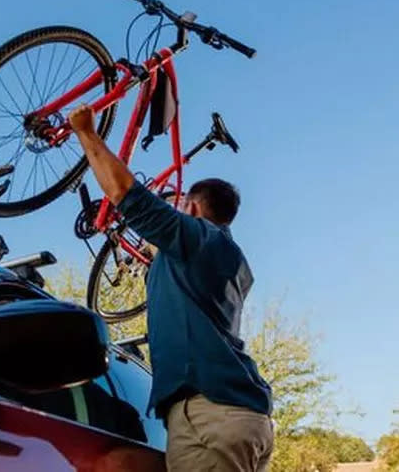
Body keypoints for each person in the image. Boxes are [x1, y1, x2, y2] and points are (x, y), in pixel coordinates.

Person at [68, 105, 274, 472]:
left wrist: (86, 132)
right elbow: (156, 247)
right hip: (230, 416)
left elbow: (125, 194)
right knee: (117, 465)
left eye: (179, 206)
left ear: (191, 208)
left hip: (210, 413)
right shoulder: (227, 261)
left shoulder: (199, 239)